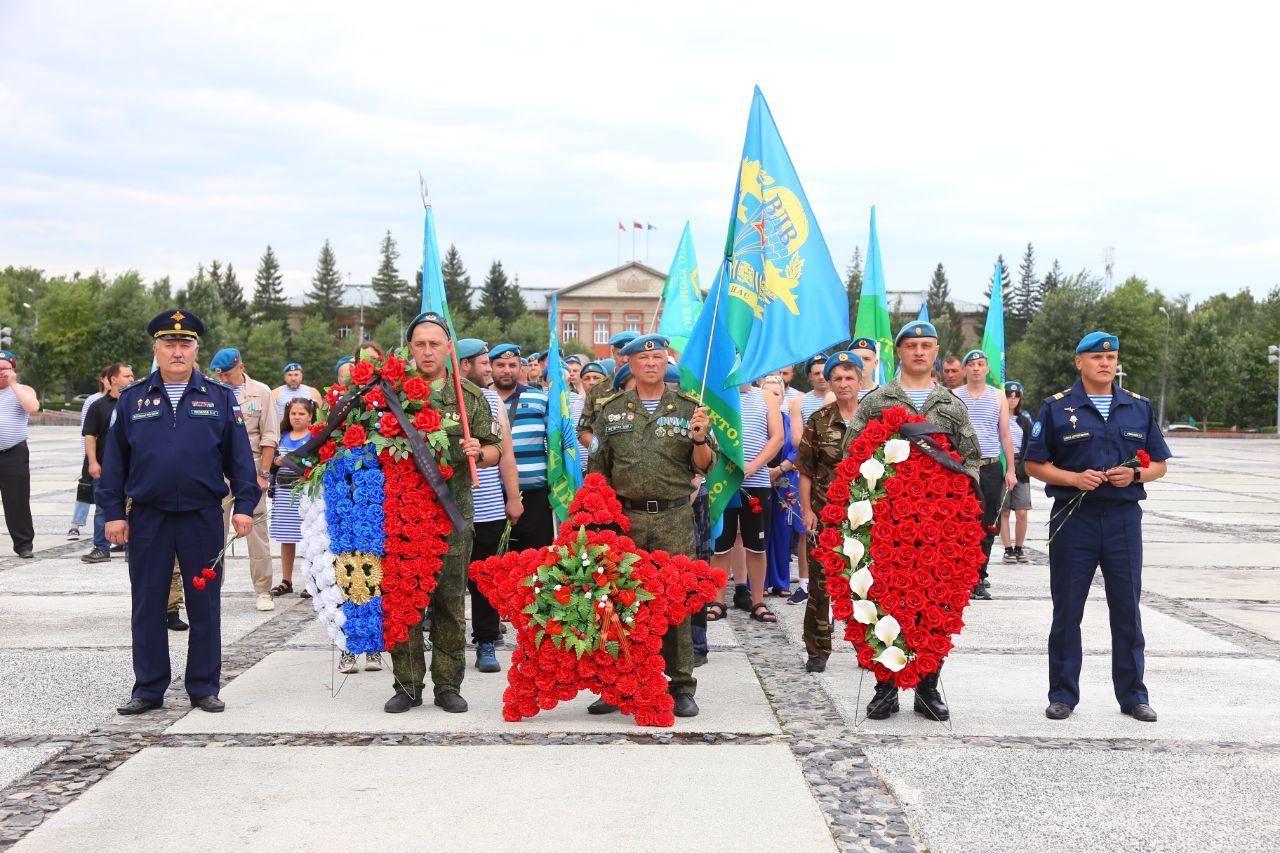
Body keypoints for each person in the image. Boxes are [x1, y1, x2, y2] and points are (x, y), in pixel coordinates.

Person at [100, 309, 259, 715]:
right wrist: (114, 513)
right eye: (169, 344)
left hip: (202, 516)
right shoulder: (133, 398)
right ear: (156, 349)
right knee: (148, 602)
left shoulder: (219, 397)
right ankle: (149, 688)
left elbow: (240, 458)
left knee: (204, 603)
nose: (176, 351)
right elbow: (114, 462)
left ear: (196, 350)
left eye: (184, 344)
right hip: (148, 517)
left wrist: (244, 506)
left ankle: (203, 685)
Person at [1025, 331, 1170, 723]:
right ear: (1079, 362)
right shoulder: (1057, 408)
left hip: (1123, 520)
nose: (1105, 363)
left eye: (1111, 357)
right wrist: (1073, 478)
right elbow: (1034, 463)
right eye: (1096, 357)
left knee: (1127, 610)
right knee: (1068, 611)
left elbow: (1160, 463)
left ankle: (1133, 695)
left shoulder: (1136, 407)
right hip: (1075, 519)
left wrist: (1136, 473)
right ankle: (1063, 694)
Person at [845, 321, 981, 722]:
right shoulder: (877, 401)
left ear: (937, 352)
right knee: (887, 597)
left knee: (934, 599)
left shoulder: (952, 405)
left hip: (940, 524)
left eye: (926, 345)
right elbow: (853, 452)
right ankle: (885, 688)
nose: (919, 352)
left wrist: (958, 501)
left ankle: (927, 687)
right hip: (887, 521)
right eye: (911, 346)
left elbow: (972, 458)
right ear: (899, 352)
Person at [587, 333, 714, 718]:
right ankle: (615, 683)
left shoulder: (690, 409)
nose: (651, 363)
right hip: (624, 520)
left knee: (675, 602)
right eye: (643, 359)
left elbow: (705, 465)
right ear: (629, 364)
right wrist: (596, 521)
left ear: (666, 362)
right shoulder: (610, 411)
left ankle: (681, 685)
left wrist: (699, 438)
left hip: (673, 518)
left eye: (658, 356)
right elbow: (598, 470)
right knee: (616, 601)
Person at [385, 312, 501, 715]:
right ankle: (407, 684)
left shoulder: (469, 397)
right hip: (400, 517)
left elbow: (495, 449)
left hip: (452, 516)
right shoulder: (391, 395)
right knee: (405, 601)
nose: (428, 351)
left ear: (449, 349)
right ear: (410, 348)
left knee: (450, 602)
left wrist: (479, 454)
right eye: (420, 344)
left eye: (436, 344)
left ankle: (448, 684)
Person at [457, 338, 522, 674]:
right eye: (485, 363)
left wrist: (513, 497)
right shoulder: (441, 401)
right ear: (465, 365)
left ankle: (485, 640)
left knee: (486, 579)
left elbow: (505, 453)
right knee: (451, 581)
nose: (490, 369)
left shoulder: (492, 400)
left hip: (488, 508)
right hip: (449, 506)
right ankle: (450, 644)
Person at [797, 350, 863, 672]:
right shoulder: (819, 421)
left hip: (867, 517)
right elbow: (806, 470)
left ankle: (869, 648)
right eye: (837, 377)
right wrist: (807, 510)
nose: (843, 383)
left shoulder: (874, 420)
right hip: (826, 515)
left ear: (860, 380)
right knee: (820, 584)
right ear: (830, 383)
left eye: (849, 377)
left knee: (866, 585)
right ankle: (817, 651)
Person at [209, 348, 280, 612]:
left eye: (227, 374)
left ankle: (263, 590)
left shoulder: (261, 392)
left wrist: (263, 474)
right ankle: (213, 588)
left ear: (241, 367)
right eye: (220, 375)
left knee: (257, 535)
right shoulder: (214, 392)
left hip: (250, 468)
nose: (224, 380)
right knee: (215, 532)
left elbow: (270, 436)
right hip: (218, 472)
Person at [710, 377, 783, 623]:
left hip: (756, 482)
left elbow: (777, 438)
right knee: (721, 543)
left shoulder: (766, 397)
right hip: (722, 482)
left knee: (756, 544)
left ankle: (758, 600)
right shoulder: (715, 397)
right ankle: (717, 600)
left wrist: (753, 465)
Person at [952, 349, 1018, 600]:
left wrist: (1011, 469)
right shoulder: (955, 396)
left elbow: (1005, 434)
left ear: (987, 369)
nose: (977, 368)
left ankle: (979, 575)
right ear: (965, 369)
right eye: (972, 364)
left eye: (981, 364)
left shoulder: (998, 396)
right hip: (963, 467)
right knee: (961, 522)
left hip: (990, 466)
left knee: (987, 522)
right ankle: (960, 575)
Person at [488, 344, 555, 551]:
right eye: (500, 365)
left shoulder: (540, 399)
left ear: (521, 368)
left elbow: (555, 446)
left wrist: (555, 489)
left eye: (512, 365)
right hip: (492, 498)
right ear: (490, 367)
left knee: (536, 563)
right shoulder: (479, 400)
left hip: (535, 498)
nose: (507, 370)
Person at [81, 363, 135, 563]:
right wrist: (92, 462)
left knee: (132, 508)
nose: (132, 379)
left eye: (132, 375)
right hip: (105, 467)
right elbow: (89, 436)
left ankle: (132, 547)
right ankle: (101, 547)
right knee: (103, 508)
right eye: (127, 376)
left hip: (132, 468)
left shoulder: (135, 403)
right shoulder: (98, 406)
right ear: (113, 380)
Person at [268, 398, 315, 598]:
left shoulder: (314, 438)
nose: (296, 417)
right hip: (283, 493)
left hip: (305, 495)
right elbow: (270, 464)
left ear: (310, 416)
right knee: (287, 538)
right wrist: (275, 464)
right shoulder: (282, 437)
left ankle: (311, 581)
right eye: (293, 413)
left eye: (301, 413)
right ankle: (286, 580)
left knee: (309, 539)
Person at [762, 375, 803, 596]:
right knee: (759, 531)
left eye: (776, 394)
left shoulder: (790, 421)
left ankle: (780, 581)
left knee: (782, 531)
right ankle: (758, 582)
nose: (771, 398)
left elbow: (798, 447)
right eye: (767, 393)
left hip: (785, 480)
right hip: (758, 478)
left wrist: (780, 469)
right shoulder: (756, 419)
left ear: (783, 396)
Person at [0, 349, 40, 558]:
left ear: (13, 370)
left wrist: (14, 385)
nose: (1, 373)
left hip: (13, 453)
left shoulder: (22, 389)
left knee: (16, 501)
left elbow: (33, 408)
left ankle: (23, 545)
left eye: (5, 369)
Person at [69, 370, 108, 541]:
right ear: (104, 379)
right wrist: (88, 456)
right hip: (93, 453)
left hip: (109, 455)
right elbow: (87, 431)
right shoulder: (93, 400)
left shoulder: (125, 397)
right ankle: (75, 525)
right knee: (85, 488)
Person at [1001, 381, 1034, 563]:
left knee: (1021, 511)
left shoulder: (1024, 421)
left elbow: (1030, 445)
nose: (1012, 399)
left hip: (1020, 466)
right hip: (1003, 465)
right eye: (1008, 396)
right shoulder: (998, 417)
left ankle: (1019, 547)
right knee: (1004, 510)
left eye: (1016, 396)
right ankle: (1007, 549)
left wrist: (1024, 467)